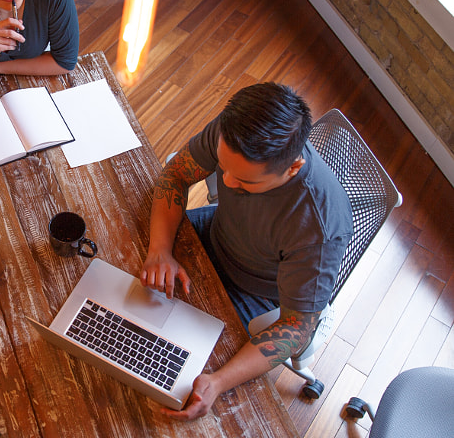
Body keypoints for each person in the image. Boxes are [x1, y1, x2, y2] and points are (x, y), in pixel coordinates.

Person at [140, 83, 353, 420]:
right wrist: (160, 250)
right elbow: (177, 173)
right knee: (129, 284)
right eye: (223, 167)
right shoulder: (236, 130)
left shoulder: (318, 228)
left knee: (173, 371)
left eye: (245, 181)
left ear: (293, 168)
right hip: (213, 233)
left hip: (254, 292)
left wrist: (219, 382)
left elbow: (297, 327)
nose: (225, 182)